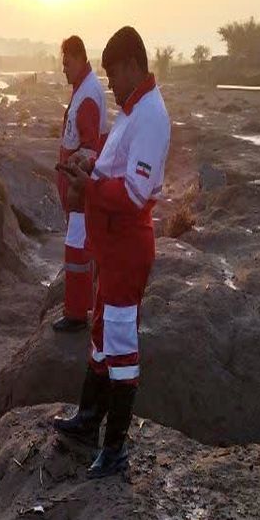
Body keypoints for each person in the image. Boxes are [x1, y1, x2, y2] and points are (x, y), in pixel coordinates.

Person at [56, 26, 170, 479]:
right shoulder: (133, 109)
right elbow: (114, 162)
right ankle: (88, 420)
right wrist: (90, 165)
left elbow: (137, 192)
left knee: (121, 347)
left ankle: (116, 445)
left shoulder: (151, 117)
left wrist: (91, 187)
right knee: (102, 340)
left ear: (131, 66)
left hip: (126, 247)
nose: (111, 85)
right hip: (112, 247)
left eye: (113, 75)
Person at [52, 35, 109, 332]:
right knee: (83, 249)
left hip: (80, 190)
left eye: (66, 63)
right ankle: (83, 307)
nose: (63, 69)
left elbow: (90, 148)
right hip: (78, 188)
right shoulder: (83, 89)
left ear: (79, 57)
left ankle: (76, 314)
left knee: (76, 249)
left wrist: (73, 175)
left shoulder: (88, 94)